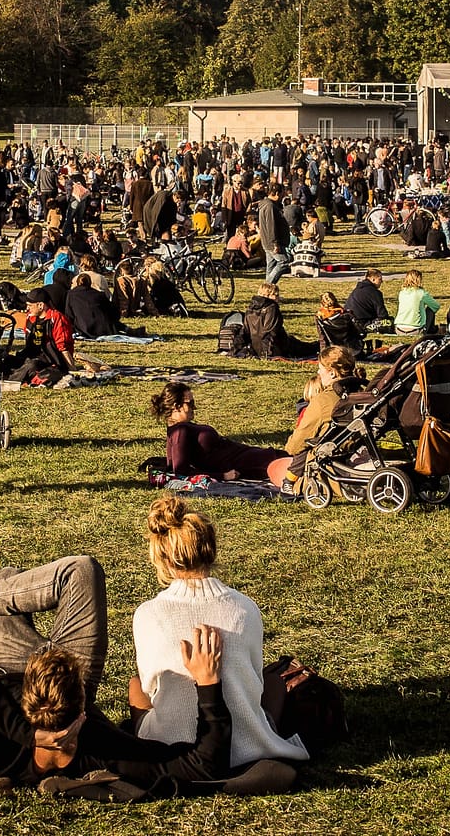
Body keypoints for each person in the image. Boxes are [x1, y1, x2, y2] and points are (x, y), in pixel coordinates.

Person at [0, 550, 246, 795]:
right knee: (75, 571)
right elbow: (204, 766)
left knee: (7, 579)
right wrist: (209, 684)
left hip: (3, 667)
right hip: (62, 667)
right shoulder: (103, 749)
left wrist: (28, 735)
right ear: (82, 712)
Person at [130, 496, 310, 770]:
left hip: (171, 745)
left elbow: (149, 686)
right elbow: (254, 680)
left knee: (135, 686)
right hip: (245, 746)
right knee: (271, 683)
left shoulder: (147, 614)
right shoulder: (245, 608)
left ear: (163, 557)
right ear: (211, 550)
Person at [153, 382, 285, 481]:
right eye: (190, 403)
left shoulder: (176, 430)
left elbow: (173, 464)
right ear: (176, 407)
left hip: (249, 457)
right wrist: (223, 476)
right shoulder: (179, 432)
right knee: (290, 465)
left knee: (289, 460)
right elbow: (181, 471)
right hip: (248, 463)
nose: (194, 407)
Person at [244, 282, 317, 359]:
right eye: (276, 295)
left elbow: (246, 330)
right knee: (307, 347)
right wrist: (268, 354)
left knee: (298, 343)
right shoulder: (271, 308)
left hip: (254, 347)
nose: (278, 298)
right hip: (274, 348)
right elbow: (271, 332)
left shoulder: (250, 308)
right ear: (269, 295)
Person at [393, 270, 440, 336]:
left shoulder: (402, 293)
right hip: (416, 330)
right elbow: (436, 306)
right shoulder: (421, 293)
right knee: (430, 309)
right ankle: (431, 330)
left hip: (399, 329)